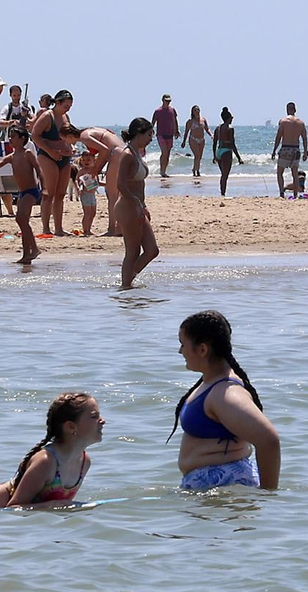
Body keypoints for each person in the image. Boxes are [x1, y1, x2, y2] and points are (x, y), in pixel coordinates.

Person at [170, 311, 281, 491]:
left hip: (224, 490)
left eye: (183, 344)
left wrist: (267, 495)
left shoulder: (226, 394)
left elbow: (269, 440)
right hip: (214, 490)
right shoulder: (211, 384)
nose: (180, 351)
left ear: (203, 349)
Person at [0, 393, 102, 508]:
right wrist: (50, 506)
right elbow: (14, 508)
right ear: (71, 427)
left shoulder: (84, 461)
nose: (102, 421)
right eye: (94, 416)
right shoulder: (46, 461)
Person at [0, 128, 42, 265]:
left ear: (22, 139)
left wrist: (45, 188)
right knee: (23, 222)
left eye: (13, 136)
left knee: (20, 219)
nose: (10, 139)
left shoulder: (28, 153)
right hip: (22, 192)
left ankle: (34, 249)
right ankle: (26, 256)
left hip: (32, 191)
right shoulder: (11, 157)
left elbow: (38, 169)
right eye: (9, 136)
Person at [116, 117, 159, 287]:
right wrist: (136, 203)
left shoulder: (137, 153)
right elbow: (120, 184)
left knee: (152, 250)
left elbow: (139, 184)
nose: (151, 139)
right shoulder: (127, 155)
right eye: (149, 135)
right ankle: (126, 286)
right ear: (139, 133)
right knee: (133, 252)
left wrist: (143, 205)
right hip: (127, 207)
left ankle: (128, 282)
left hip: (138, 207)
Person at [29, 88, 75, 239]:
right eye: (65, 106)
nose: (67, 109)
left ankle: (59, 228)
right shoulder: (47, 116)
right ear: (57, 103)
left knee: (61, 194)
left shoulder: (66, 117)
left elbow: (68, 136)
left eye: (69, 106)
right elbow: (35, 136)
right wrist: (50, 151)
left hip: (65, 157)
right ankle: (46, 228)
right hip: (48, 157)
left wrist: (72, 146)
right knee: (49, 194)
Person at [271, 102, 308, 197]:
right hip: (296, 149)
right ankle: (295, 194)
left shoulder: (283, 121)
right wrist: (305, 152)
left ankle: (281, 193)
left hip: (285, 148)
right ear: (295, 110)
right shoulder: (301, 123)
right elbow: (304, 138)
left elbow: (278, 137)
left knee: (280, 172)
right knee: (295, 174)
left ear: (287, 110)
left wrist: (274, 150)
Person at [213, 107, 243, 197]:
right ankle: (223, 194)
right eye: (231, 118)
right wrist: (239, 158)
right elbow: (232, 144)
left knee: (223, 175)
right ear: (228, 118)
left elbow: (214, 143)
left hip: (219, 151)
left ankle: (222, 192)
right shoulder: (230, 128)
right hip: (226, 152)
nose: (232, 119)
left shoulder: (217, 128)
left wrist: (214, 155)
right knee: (225, 176)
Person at [152, 94, 179, 178]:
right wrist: (150, 131)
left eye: (169, 101)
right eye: (166, 101)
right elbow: (153, 122)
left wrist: (176, 131)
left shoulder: (172, 110)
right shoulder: (158, 111)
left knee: (168, 153)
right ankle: (162, 171)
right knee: (164, 152)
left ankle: (164, 170)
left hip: (170, 134)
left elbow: (175, 121)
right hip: (161, 134)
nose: (168, 102)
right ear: (162, 100)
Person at [182, 105, 211, 177]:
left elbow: (207, 129)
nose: (196, 111)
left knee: (199, 157)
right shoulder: (190, 121)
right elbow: (186, 132)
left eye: (197, 109)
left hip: (201, 140)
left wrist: (211, 135)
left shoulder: (203, 120)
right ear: (192, 112)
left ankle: (194, 169)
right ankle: (197, 171)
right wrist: (184, 142)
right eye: (195, 110)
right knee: (197, 155)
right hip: (193, 139)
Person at [76, 165, 101, 235]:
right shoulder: (82, 171)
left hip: (92, 194)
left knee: (93, 213)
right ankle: (85, 230)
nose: (86, 162)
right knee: (87, 213)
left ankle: (88, 229)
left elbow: (97, 182)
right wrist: (78, 188)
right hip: (85, 194)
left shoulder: (94, 170)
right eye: (84, 160)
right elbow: (76, 180)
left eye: (88, 160)